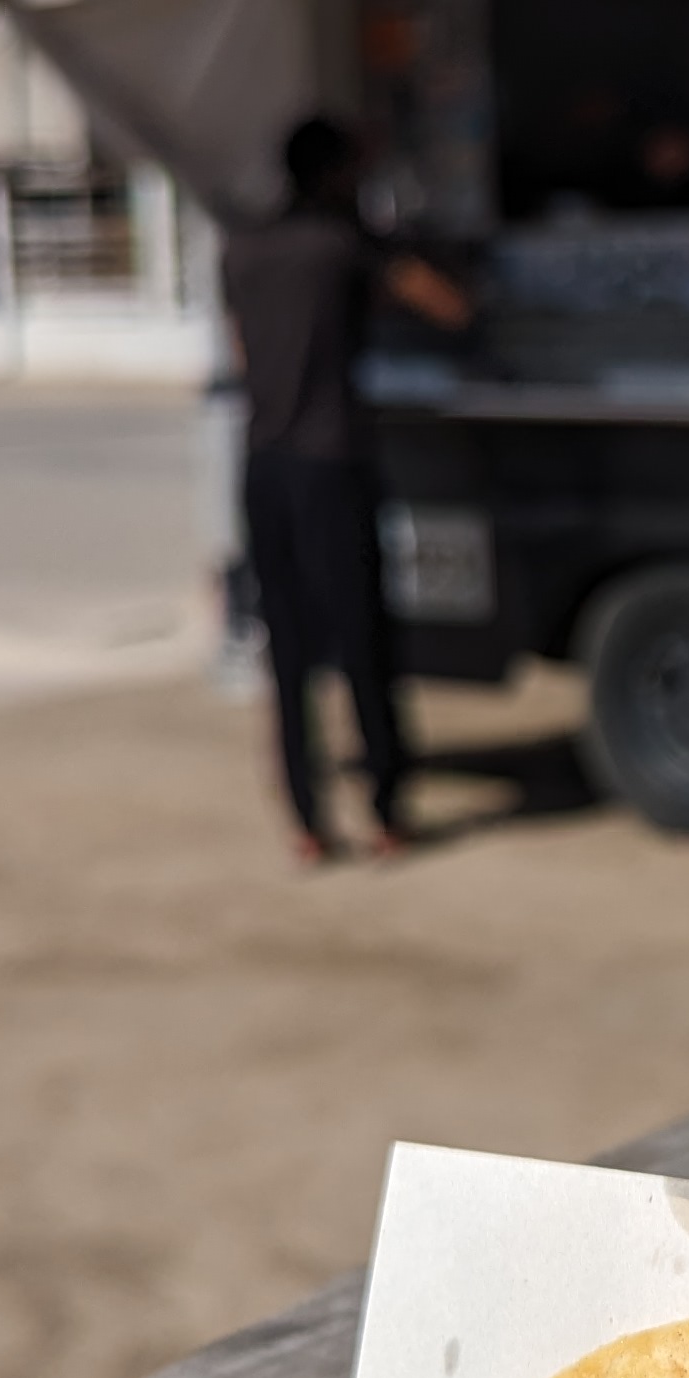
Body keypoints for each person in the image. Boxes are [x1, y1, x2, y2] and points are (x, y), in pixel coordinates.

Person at [218, 116, 467, 861]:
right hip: (333, 463)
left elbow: (242, 349)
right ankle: (389, 811)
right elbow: (448, 305)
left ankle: (306, 822)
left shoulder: (241, 249)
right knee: (362, 638)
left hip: (263, 466)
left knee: (287, 647)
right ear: (335, 173)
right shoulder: (342, 245)